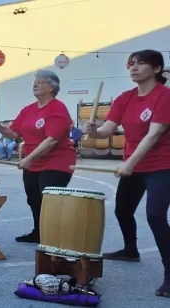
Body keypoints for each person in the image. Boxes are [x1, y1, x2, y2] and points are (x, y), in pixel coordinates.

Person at [82, 49, 170, 297]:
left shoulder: (164, 96)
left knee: (155, 215)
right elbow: (106, 130)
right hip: (134, 163)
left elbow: (153, 135)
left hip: (163, 165)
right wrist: (92, 130)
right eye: (132, 63)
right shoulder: (125, 98)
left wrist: (129, 163)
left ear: (156, 69)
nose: (133, 67)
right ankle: (130, 250)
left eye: (141, 63)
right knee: (122, 210)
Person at [0, 70, 76, 243]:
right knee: (34, 199)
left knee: (49, 200)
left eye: (41, 82)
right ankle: (39, 232)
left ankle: (54, 237)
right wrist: (0, 128)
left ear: (52, 87)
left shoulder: (58, 108)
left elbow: (51, 140)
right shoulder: (28, 110)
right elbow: (14, 133)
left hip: (57, 161)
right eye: (34, 82)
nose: (35, 84)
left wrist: (28, 159)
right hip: (33, 162)